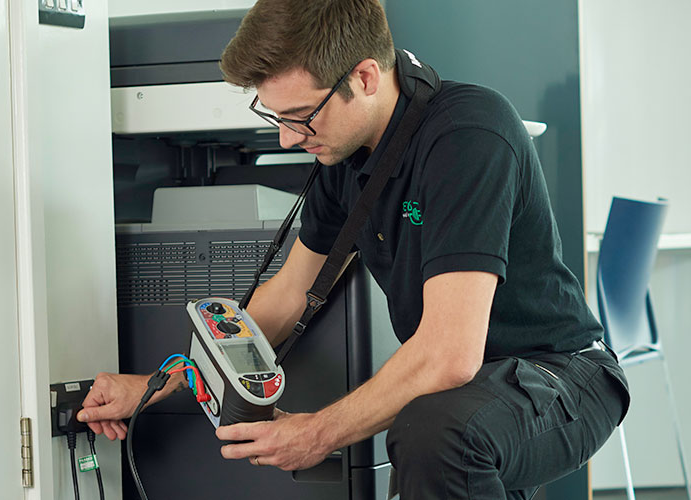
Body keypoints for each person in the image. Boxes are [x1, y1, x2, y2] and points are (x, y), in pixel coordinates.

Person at [78, 0, 630, 497]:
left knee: (431, 433)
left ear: (365, 77)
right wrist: (153, 387)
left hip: (562, 374)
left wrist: (317, 433)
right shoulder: (345, 161)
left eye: (300, 117)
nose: (288, 139)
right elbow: (285, 298)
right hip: (471, 397)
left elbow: (448, 355)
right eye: (274, 118)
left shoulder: (467, 135)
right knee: (431, 430)